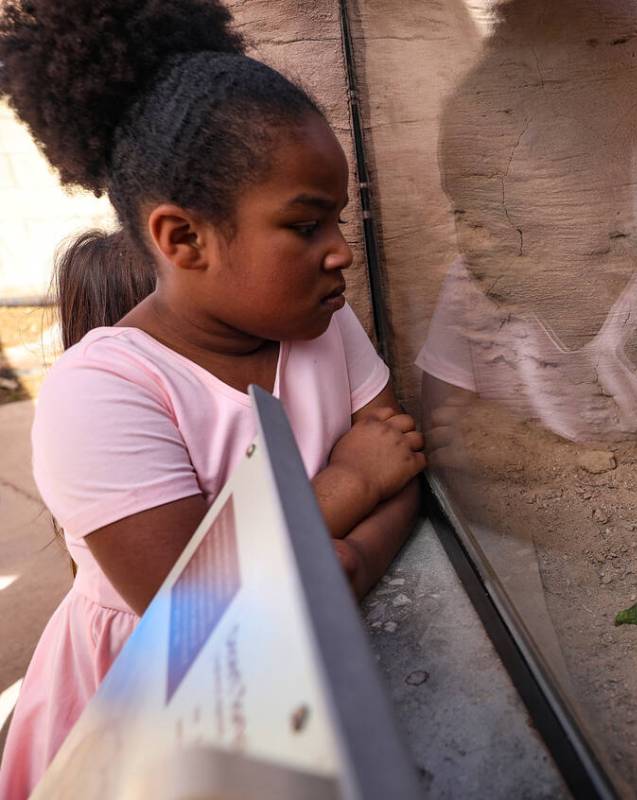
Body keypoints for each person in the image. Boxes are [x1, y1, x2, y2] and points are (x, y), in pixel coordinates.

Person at [0, 1, 425, 795]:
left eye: (336, 218)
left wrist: (342, 564)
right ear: (183, 238)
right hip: (148, 724)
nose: (341, 252)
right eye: (305, 226)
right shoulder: (103, 394)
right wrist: (350, 487)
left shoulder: (323, 327)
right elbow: (195, 621)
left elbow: (404, 455)